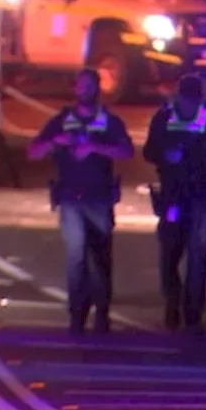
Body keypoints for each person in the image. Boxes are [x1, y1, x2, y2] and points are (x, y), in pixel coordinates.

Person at [26, 68, 135, 334]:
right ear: (75, 89)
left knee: (100, 258)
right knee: (75, 256)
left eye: (90, 85)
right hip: (70, 198)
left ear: (97, 89)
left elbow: (127, 151)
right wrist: (56, 141)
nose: (84, 90)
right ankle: (77, 315)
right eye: (81, 85)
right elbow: (33, 152)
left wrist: (95, 147)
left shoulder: (108, 121)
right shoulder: (62, 121)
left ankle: (101, 313)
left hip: (99, 198)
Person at [143, 74, 206, 335]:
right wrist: (164, 154)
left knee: (198, 256)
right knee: (169, 253)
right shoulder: (164, 117)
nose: (189, 105)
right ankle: (172, 304)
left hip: (201, 196)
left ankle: (192, 313)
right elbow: (149, 151)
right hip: (173, 195)